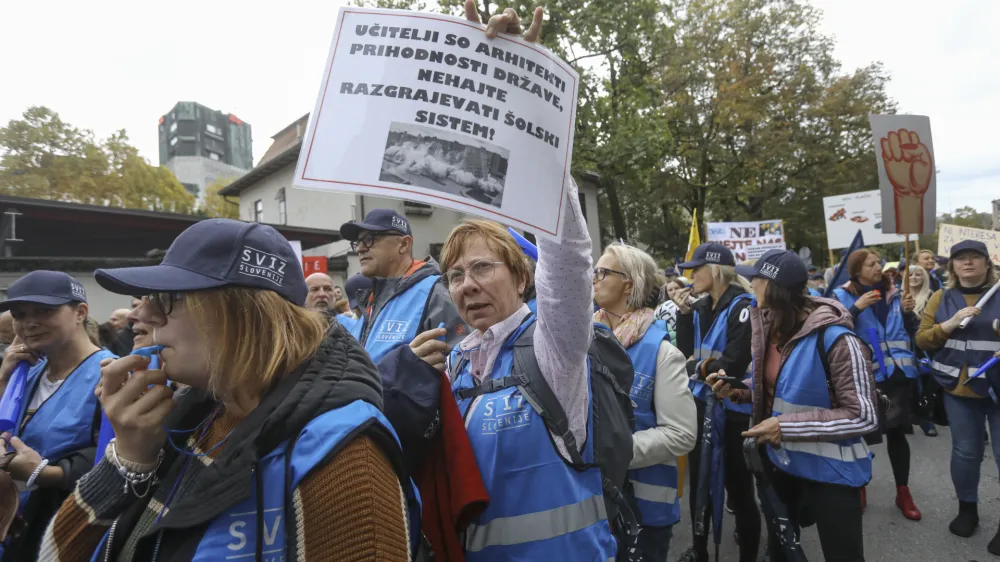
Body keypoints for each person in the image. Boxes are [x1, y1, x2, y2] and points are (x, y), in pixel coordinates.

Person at [40, 219, 416, 562]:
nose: (146, 315)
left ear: (243, 314)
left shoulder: (344, 455)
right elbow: (52, 556)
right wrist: (128, 459)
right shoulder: (197, 414)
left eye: (169, 298)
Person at [417, 169, 618, 559]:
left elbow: (568, 260)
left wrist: (546, 164)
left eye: (482, 268)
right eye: (455, 275)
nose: (467, 285)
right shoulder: (455, 362)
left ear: (523, 277)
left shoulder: (553, 347)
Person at [708, 249, 877, 562]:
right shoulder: (769, 326)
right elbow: (777, 389)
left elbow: (863, 415)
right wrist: (739, 390)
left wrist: (784, 427)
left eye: (755, 279)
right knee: (781, 552)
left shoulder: (837, 339)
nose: (749, 285)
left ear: (774, 287)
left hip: (831, 472)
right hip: (781, 464)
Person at [0, 271, 114, 562]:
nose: (29, 323)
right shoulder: (27, 372)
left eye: (45, 311)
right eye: (20, 314)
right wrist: (3, 379)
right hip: (14, 526)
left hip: (65, 529)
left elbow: (115, 453)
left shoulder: (110, 373)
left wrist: (48, 473)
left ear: (80, 312)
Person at [594, 242, 697, 561]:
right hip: (592, 508)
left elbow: (682, 433)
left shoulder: (662, 353)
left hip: (644, 513)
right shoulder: (583, 341)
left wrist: (612, 453)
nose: (593, 278)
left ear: (629, 283)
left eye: (602, 272)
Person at [673, 243, 760, 562]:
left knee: (739, 489)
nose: (691, 276)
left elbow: (734, 364)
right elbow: (682, 354)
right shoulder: (697, 307)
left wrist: (696, 367)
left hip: (733, 409)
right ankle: (698, 550)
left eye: (697, 269)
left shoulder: (743, 305)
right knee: (700, 483)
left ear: (716, 270)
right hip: (701, 406)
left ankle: (748, 553)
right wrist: (683, 316)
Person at [916, 240, 1000, 553]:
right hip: (958, 390)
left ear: (986, 264)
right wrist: (948, 325)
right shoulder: (941, 297)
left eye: (974, 258)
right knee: (966, 454)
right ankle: (968, 510)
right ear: (952, 266)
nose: (967, 264)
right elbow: (923, 340)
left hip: (998, 389)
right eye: (961, 259)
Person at [832, 248, 922, 520]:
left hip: (898, 374)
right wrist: (855, 309)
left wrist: (909, 314)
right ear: (857, 269)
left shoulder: (894, 293)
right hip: (864, 376)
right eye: (871, 264)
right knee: (861, 434)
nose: (877, 267)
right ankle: (859, 486)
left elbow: (912, 331)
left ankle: (903, 492)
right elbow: (833, 328)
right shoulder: (841, 295)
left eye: (879, 263)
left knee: (897, 434)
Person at [339, 208, 466, 364]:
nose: (359, 248)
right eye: (357, 242)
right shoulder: (371, 301)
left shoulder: (435, 292)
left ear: (404, 244)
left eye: (369, 239)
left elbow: (464, 364)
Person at [907, 265, 939, 437]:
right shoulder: (897, 296)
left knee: (926, 385)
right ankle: (910, 417)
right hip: (903, 347)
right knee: (908, 385)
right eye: (910, 274)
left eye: (918, 274)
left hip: (924, 348)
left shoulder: (931, 296)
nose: (913, 277)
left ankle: (927, 420)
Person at [654, 277, 690, 342]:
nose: (674, 292)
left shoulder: (694, 303)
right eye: (670, 290)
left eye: (677, 288)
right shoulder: (662, 309)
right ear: (666, 293)